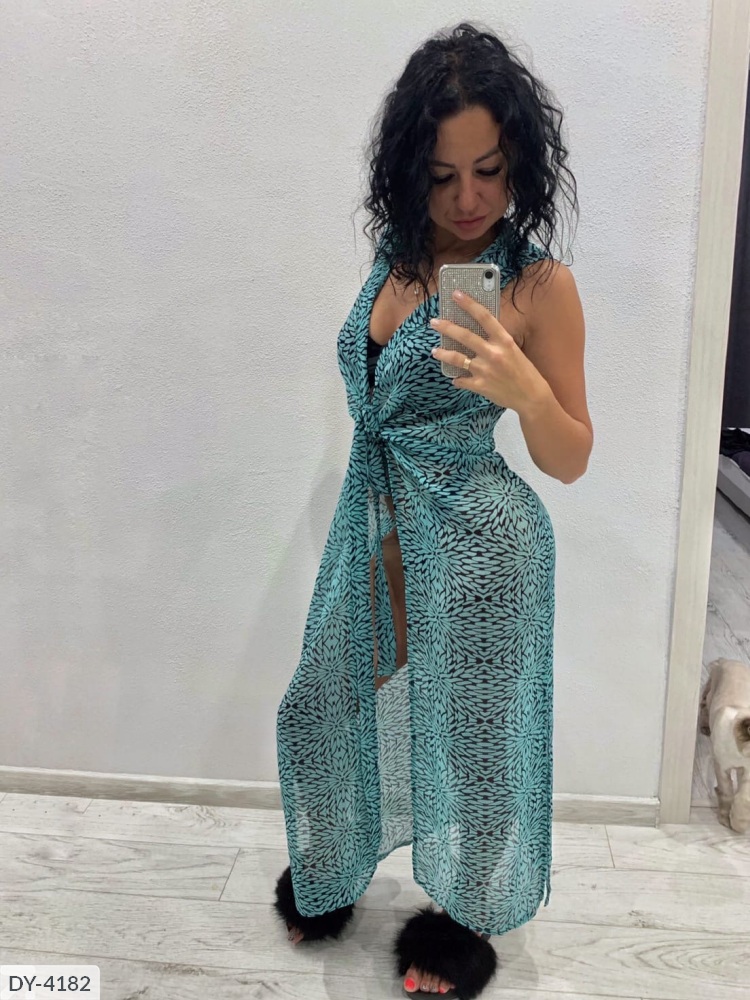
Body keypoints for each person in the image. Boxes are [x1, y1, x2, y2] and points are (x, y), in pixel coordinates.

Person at [274, 20, 593, 1000]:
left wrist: (524, 391)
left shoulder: (537, 286)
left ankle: (464, 924)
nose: (467, 200)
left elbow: (572, 456)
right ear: (409, 170)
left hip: (481, 543)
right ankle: (332, 870)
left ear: (519, 161)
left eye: (489, 171)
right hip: (376, 538)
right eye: (442, 174)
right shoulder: (397, 258)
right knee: (321, 706)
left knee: (476, 746)